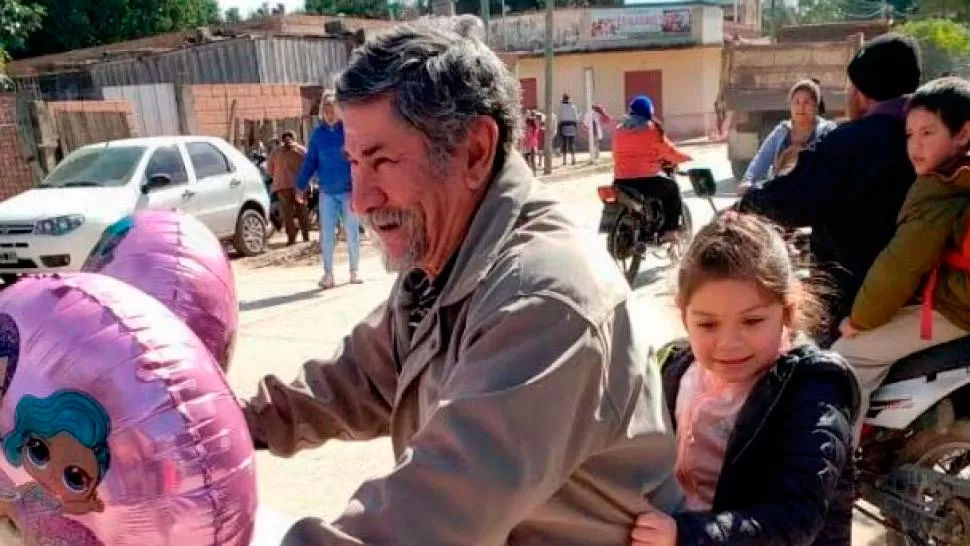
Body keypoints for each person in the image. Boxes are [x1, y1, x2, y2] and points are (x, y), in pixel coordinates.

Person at [241, 16, 683, 546]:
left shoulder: (545, 300)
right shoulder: (443, 258)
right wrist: (219, 425)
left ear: (474, 150)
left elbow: (427, 516)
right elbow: (360, 377)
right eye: (355, 162)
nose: (361, 199)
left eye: (382, 161)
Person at [630, 212, 859, 546]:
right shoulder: (676, 368)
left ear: (787, 312)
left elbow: (796, 517)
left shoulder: (812, 389)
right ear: (684, 316)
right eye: (708, 325)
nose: (729, 344)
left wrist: (686, 535)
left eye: (752, 321)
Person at [737, 33, 923, 345]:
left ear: (862, 91)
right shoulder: (933, 134)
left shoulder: (846, 142)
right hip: (925, 295)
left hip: (853, 301)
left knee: (822, 377)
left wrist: (746, 206)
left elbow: (792, 199)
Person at [834, 77, 970, 440]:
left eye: (928, 132)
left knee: (845, 359)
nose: (916, 145)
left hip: (957, 308)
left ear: (963, 134)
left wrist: (859, 321)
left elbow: (899, 267)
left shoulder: (941, 187)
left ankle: (834, 465)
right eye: (910, 135)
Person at [297, 91, 362, 289]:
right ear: (321, 113)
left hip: (348, 191)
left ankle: (354, 271)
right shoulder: (318, 136)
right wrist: (300, 185)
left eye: (332, 110)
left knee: (352, 232)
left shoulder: (349, 131)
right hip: (327, 193)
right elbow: (310, 162)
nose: (329, 114)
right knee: (326, 235)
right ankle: (328, 274)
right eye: (325, 110)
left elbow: (359, 158)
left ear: (339, 111)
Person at [612, 95, 692, 243]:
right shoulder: (652, 129)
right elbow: (669, 152)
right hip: (645, 181)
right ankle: (670, 231)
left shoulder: (619, 129)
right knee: (672, 189)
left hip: (620, 181)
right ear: (649, 111)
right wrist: (685, 158)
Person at [740, 79, 837, 188]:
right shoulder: (782, 131)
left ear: (816, 106)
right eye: (797, 102)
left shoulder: (827, 130)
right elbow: (762, 158)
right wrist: (748, 180)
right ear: (790, 106)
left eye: (806, 102)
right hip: (781, 192)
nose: (801, 107)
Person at [267, 131, 311, 245]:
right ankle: (306, 236)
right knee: (302, 210)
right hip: (300, 186)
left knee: (288, 213)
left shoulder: (275, 152)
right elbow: (311, 165)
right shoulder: (302, 150)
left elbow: (269, 171)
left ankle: (291, 239)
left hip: (282, 186)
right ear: (295, 138)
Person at [558, 93, 580, 165]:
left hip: (563, 124)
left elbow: (560, 117)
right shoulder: (573, 106)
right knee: (572, 142)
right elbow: (576, 117)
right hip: (572, 124)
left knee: (564, 143)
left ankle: (564, 161)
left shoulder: (561, 106)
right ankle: (573, 159)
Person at [522, 110, 540, 174]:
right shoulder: (535, 129)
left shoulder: (528, 129)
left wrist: (524, 144)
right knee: (533, 160)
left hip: (528, 147)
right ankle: (534, 173)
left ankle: (529, 173)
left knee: (527, 160)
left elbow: (526, 138)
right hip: (533, 146)